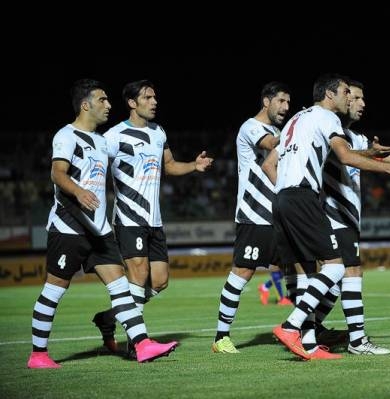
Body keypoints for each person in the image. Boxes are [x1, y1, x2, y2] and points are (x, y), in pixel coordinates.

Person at [265, 74, 390, 360]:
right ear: (329, 94)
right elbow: (346, 157)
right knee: (337, 269)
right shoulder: (328, 118)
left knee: (310, 275)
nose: (350, 98)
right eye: (347, 92)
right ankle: (292, 326)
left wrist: (287, 192)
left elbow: (269, 165)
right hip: (304, 198)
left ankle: (309, 344)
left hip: (283, 199)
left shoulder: (296, 120)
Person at [27, 79, 178, 369]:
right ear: (86, 105)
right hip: (69, 228)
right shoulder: (66, 136)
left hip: (100, 231)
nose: (109, 105)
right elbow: (58, 174)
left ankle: (142, 344)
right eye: (103, 100)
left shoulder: (101, 141)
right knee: (54, 290)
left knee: (122, 288)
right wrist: (78, 191)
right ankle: (38, 354)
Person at [92, 80, 213, 355]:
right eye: (147, 97)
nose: (154, 101)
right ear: (132, 103)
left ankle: (109, 318)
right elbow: (97, 167)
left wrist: (193, 166)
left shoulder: (159, 132)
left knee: (159, 281)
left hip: (154, 220)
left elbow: (169, 166)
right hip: (128, 218)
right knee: (139, 275)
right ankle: (137, 344)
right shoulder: (114, 136)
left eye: (154, 97)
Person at [211, 82, 291, 354]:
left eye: (288, 103)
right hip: (254, 214)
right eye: (281, 101)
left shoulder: (280, 131)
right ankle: (221, 337)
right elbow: (269, 144)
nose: (286, 107)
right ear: (266, 101)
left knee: (300, 268)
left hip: (279, 215)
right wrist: (298, 128)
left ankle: (303, 329)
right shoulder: (251, 127)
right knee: (243, 271)